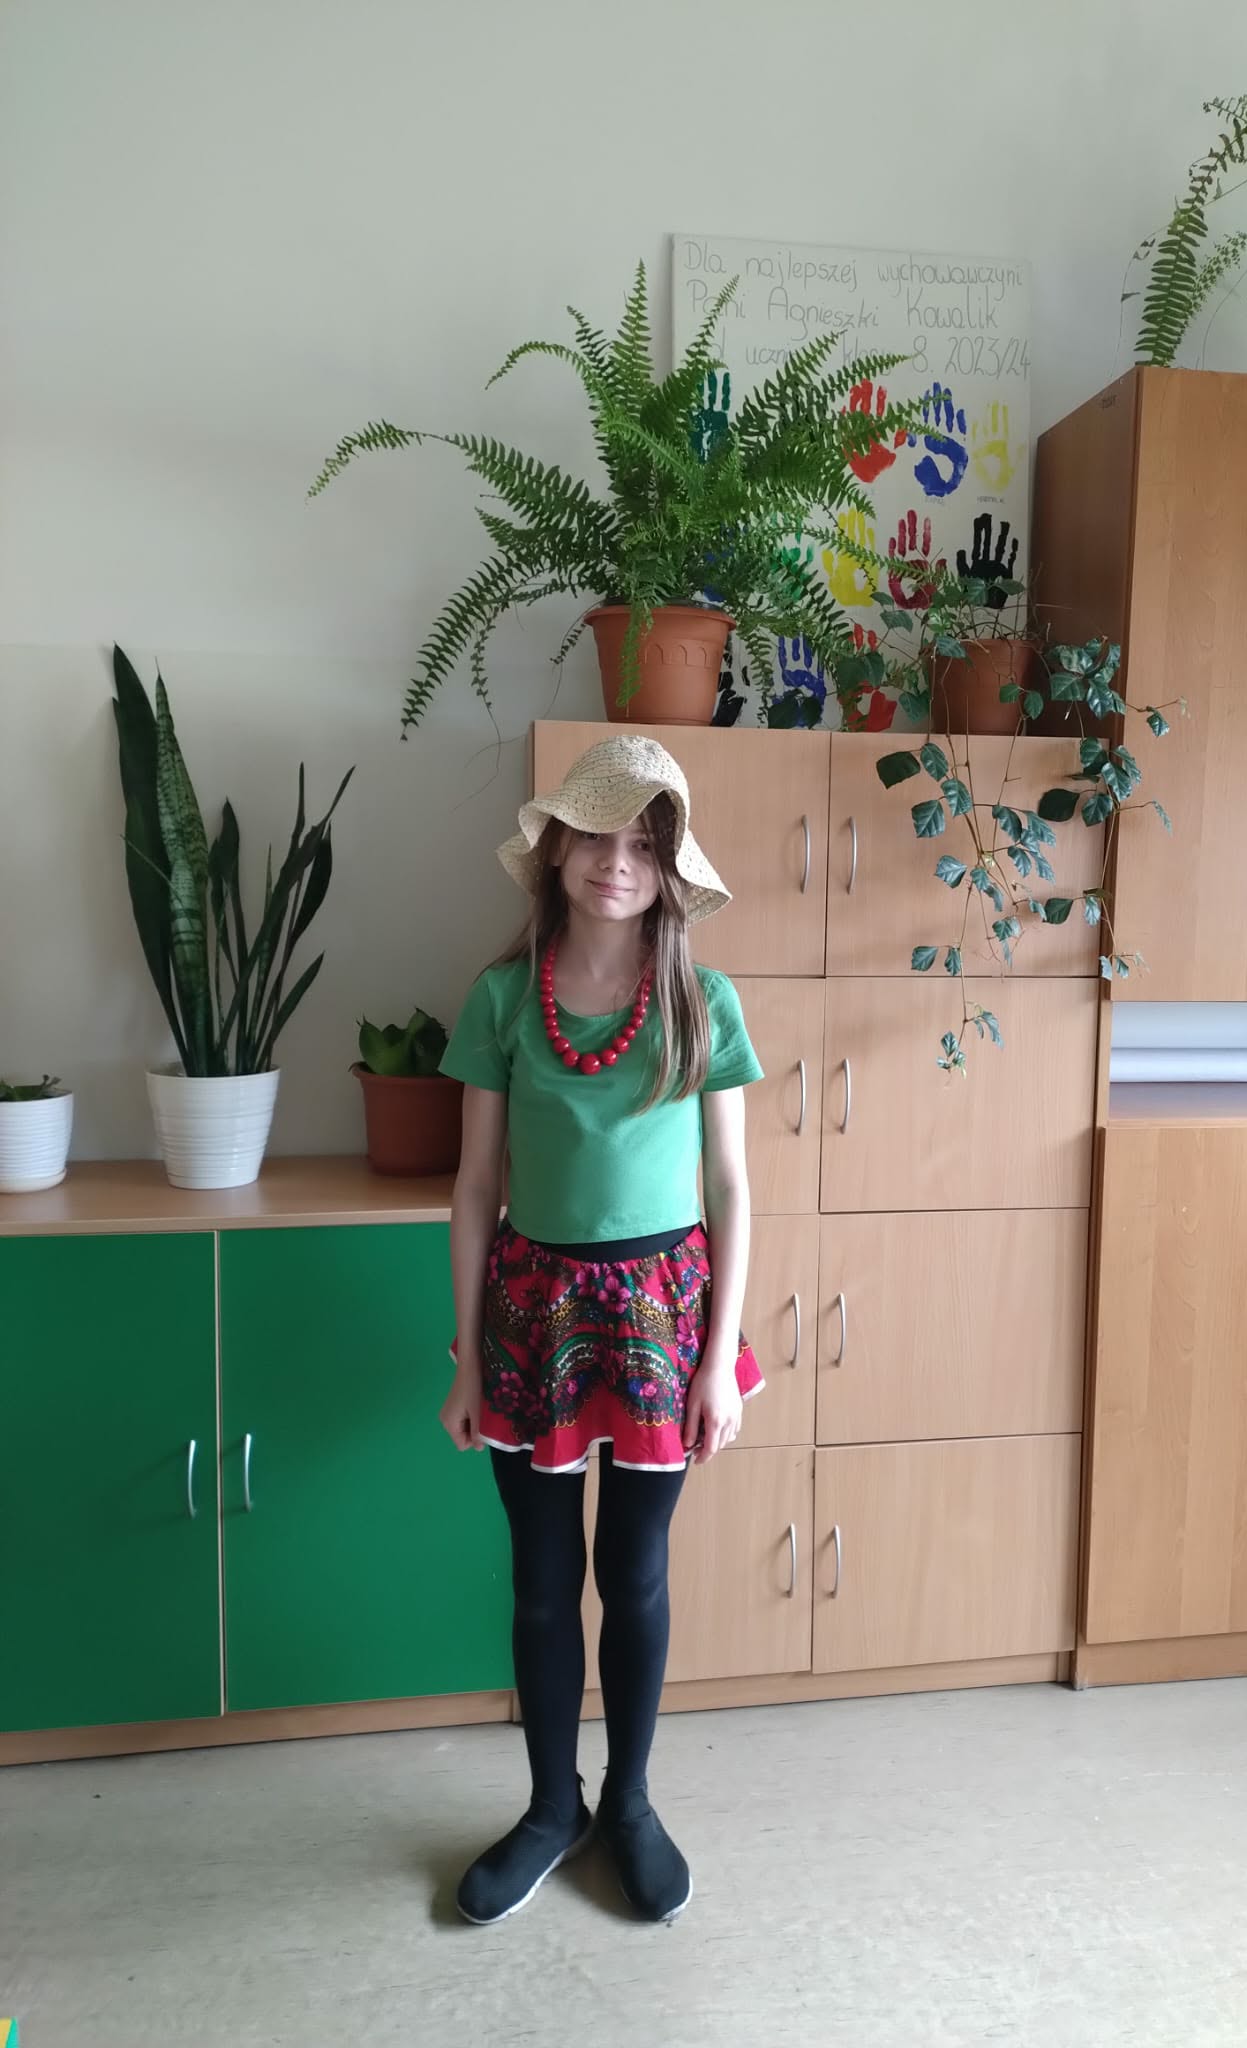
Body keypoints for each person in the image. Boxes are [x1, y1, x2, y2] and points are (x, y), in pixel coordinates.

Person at [437, 735, 764, 1928]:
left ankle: (626, 1801)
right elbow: (476, 1183)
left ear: (669, 867)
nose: (615, 862)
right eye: (595, 835)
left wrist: (718, 1359)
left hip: (660, 1321)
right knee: (540, 1580)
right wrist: (467, 1356)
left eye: (642, 843)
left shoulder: (701, 1000)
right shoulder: (499, 995)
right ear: (556, 849)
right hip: (531, 1314)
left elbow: (729, 1187)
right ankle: (548, 1806)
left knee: (633, 1572)